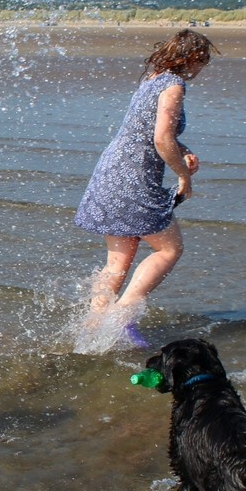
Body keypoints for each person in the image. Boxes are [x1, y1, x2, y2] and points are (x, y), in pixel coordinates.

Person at [73, 29, 218, 348]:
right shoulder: (174, 85)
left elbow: (146, 131)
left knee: (118, 260)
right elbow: (160, 139)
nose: (202, 68)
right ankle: (122, 317)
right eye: (203, 61)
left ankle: (91, 330)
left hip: (111, 169)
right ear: (191, 58)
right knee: (169, 248)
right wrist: (184, 176)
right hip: (134, 176)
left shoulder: (153, 77)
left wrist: (182, 149)